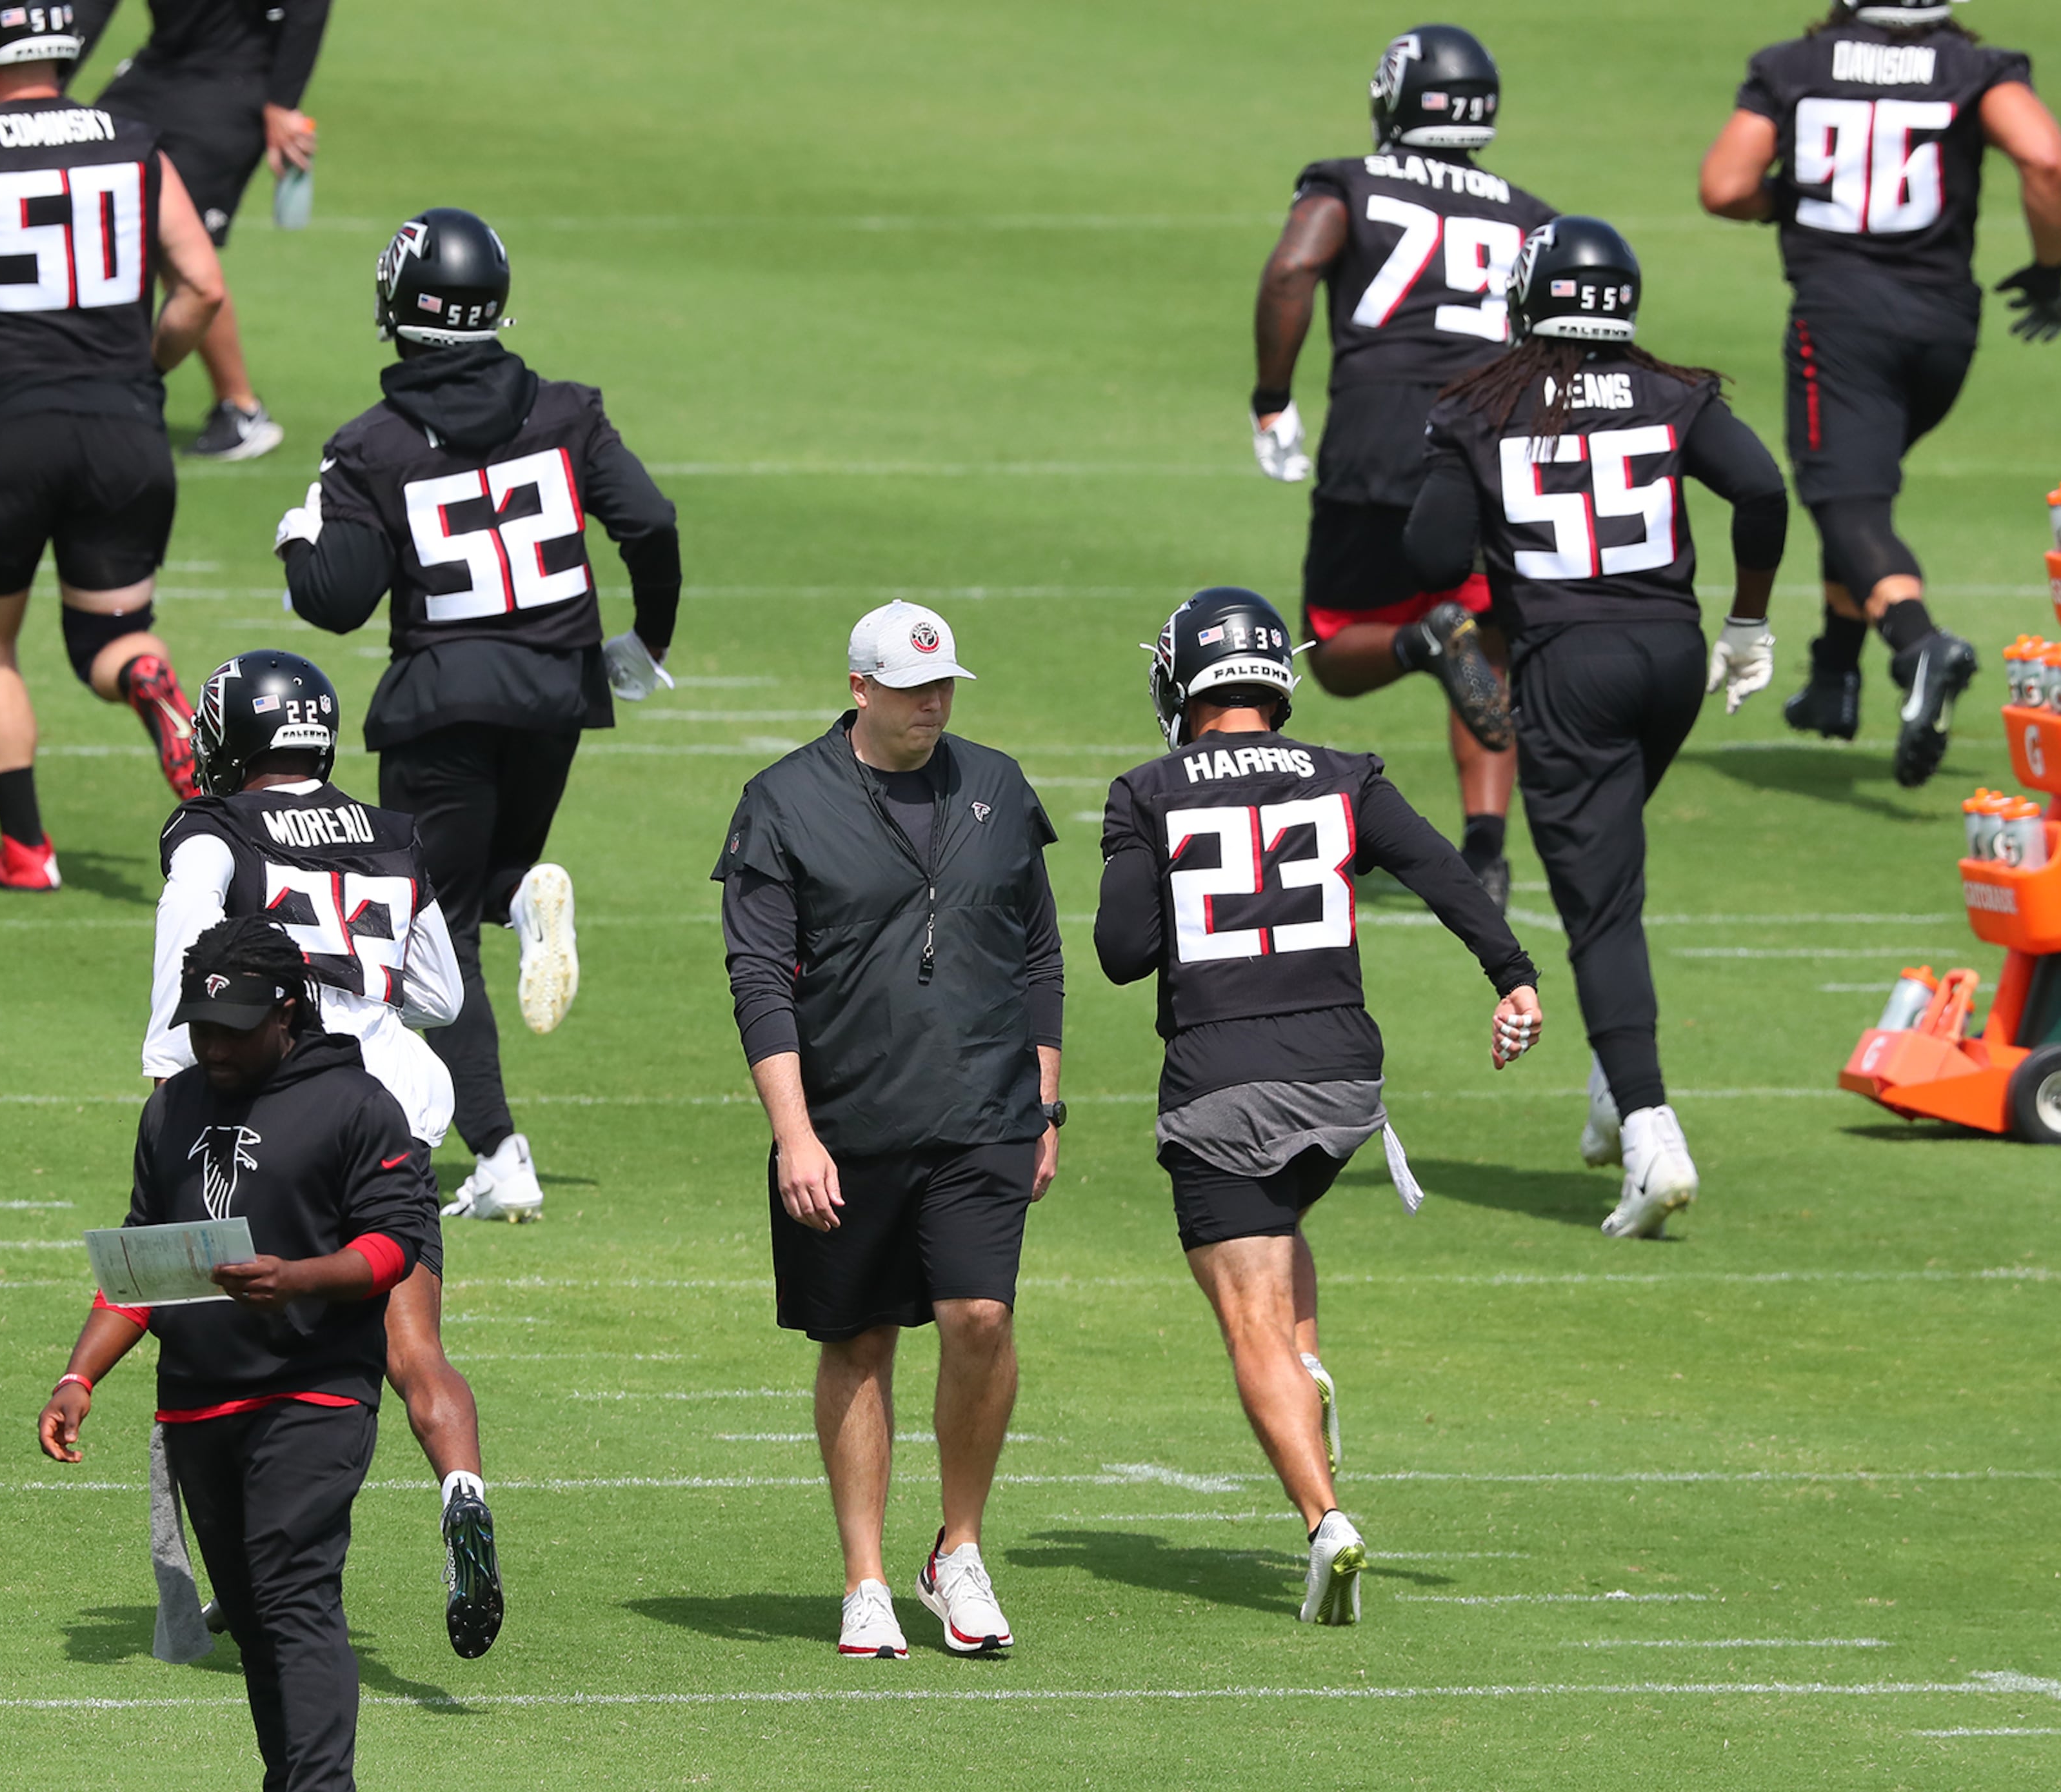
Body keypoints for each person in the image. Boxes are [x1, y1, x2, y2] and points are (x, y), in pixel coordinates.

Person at [1095, 586, 1541, 1625]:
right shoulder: (1346, 774)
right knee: (1277, 1223)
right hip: (1344, 1082)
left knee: (1243, 1310)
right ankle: (1307, 1361)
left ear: (1181, 679)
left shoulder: (1147, 790)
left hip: (1224, 1079)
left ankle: (1323, 1518)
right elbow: (1444, 872)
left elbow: (1122, 954)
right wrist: (1512, 976)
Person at [277, 206, 684, 1221]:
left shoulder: (372, 444)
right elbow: (652, 521)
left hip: (442, 707)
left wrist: (299, 535)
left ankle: (500, 1150)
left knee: (426, 930)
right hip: (557, 694)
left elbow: (336, 599)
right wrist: (645, 647)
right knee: (476, 892)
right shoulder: (564, 409)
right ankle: (521, 901)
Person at [1404, 217, 1789, 1238]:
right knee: (1610, 867)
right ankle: (1620, 1086)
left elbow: (1431, 550)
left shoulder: (1482, 404)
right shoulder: (1671, 391)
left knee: (1600, 906)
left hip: (1569, 666)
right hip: (1669, 655)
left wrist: (1459, 471)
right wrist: (1748, 623)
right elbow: (1760, 486)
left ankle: (1653, 1133)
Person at [713, 601, 1062, 1660]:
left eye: (945, 686)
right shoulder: (781, 801)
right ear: (860, 688)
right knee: (859, 1340)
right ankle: (865, 1577)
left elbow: (1038, 953)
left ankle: (957, 1548)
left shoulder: (998, 786)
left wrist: (1044, 1100)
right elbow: (759, 980)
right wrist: (794, 1134)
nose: (934, 706)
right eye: (914, 690)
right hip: (849, 1122)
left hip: (985, 1115)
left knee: (979, 1318)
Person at [143, 648, 503, 1654]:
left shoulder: (212, 833)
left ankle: (248, 1582)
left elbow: (183, 974)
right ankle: (463, 1490)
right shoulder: (392, 832)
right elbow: (442, 996)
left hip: (277, 1115)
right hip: (392, 1110)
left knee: (225, 1343)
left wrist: (173, 1093)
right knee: (413, 1348)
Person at [39, 915, 441, 1792]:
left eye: (234, 1027)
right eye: (201, 1026)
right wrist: (79, 1375)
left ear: (289, 1010)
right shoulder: (172, 1108)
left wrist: (298, 1277)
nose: (213, 1045)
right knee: (257, 1615)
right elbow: (143, 1261)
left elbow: (393, 1244)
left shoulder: (357, 1105)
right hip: (196, 1403)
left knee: (295, 1592)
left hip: (315, 1393)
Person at [0, 3, 222, 891]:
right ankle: (143, 674)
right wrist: (141, 373)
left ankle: (26, 850)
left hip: (5, 427)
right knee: (111, 632)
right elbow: (202, 290)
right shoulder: (138, 138)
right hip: (123, 429)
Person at [1699, 0, 2061, 787]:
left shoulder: (1793, 66)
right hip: (1944, 328)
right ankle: (1834, 677)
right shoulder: (1976, 68)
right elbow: (2045, 160)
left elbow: (1725, 185)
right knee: (1858, 485)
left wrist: (1786, 201)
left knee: (1845, 500)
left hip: (1841, 320)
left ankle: (1917, 644)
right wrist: (2048, 270)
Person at [1253, 24, 1557, 904]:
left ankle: (1422, 643)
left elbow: (1291, 271)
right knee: (1491, 643)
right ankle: (1489, 854)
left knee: (1339, 642)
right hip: (1493, 432)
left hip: (1379, 426)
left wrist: (1272, 394)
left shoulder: (1350, 181)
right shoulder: (1528, 213)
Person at [69, 0, 329, 460]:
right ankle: (35, 393)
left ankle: (241, 410)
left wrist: (283, 104)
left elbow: (308, 6)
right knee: (80, 194)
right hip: (160, 67)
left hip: (237, 78)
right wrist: (31, 91)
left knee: (176, 247)